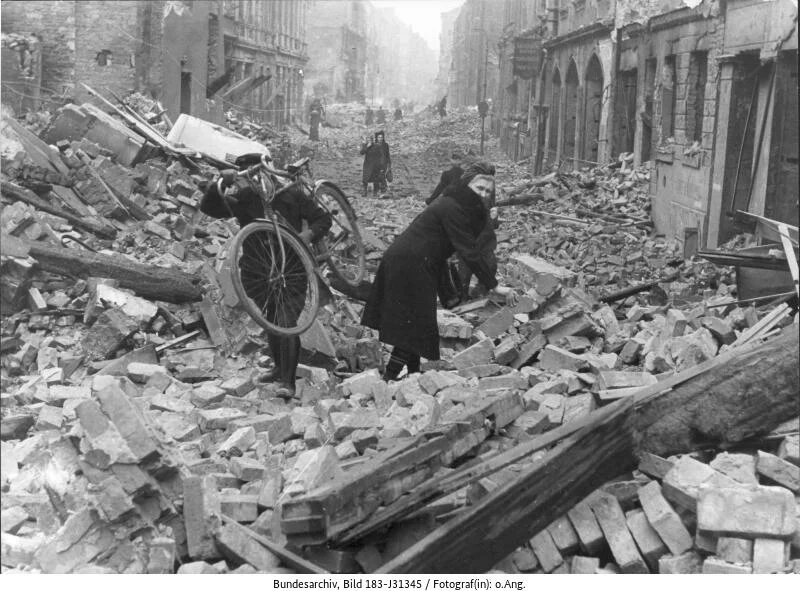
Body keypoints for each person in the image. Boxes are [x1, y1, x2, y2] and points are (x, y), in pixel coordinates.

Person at [361, 162, 517, 381]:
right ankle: (389, 378)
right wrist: (494, 285)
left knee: (417, 322)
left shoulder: (460, 204)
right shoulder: (452, 207)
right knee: (415, 324)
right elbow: (469, 250)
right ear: (467, 184)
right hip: (410, 263)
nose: (483, 194)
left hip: (414, 262)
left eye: (487, 191)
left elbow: (477, 239)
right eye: (479, 188)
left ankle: (413, 376)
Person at [200, 159, 332, 397]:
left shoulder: (292, 194)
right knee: (271, 319)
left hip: (292, 268)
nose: (256, 181)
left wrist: (306, 235)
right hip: (258, 272)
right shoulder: (247, 198)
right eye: (247, 176)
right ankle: (279, 369)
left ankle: (288, 383)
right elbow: (210, 208)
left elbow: (323, 219)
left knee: (286, 321)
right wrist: (217, 183)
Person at [360, 131, 391, 198]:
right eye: (367, 139)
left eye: (370, 139)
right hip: (367, 165)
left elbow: (380, 156)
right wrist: (367, 147)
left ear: (372, 139)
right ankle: (364, 192)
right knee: (365, 179)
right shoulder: (364, 145)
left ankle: (376, 193)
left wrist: (381, 165)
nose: (369, 140)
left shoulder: (376, 145)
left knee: (375, 180)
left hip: (375, 166)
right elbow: (362, 152)